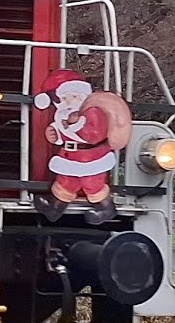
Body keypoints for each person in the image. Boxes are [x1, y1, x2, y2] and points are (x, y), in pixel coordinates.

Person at [31, 69, 132, 225]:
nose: (70, 102)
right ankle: (54, 208)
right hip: (69, 156)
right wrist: (55, 134)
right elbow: (62, 133)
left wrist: (76, 124)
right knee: (66, 182)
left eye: (74, 97)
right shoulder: (64, 115)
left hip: (91, 157)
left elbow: (94, 135)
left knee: (93, 184)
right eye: (65, 98)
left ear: (84, 97)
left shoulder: (93, 113)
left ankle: (106, 208)